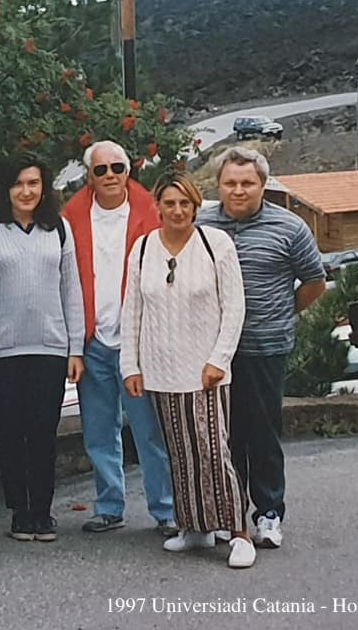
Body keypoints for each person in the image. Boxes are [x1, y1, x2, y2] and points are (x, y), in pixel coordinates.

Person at [120, 172, 254, 568]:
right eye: (170, 203)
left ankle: (238, 532)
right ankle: (195, 526)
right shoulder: (143, 248)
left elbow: (234, 307)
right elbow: (132, 311)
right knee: (179, 453)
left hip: (205, 370)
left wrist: (219, 359)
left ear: (196, 207)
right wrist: (131, 365)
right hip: (161, 370)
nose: (177, 211)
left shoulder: (216, 244)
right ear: (157, 207)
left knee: (213, 451)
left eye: (185, 203)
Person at [196, 147, 326, 550]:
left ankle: (269, 513)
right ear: (218, 185)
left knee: (263, 433)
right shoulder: (201, 225)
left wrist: (282, 313)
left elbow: (314, 282)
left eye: (247, 183)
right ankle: (229, 514)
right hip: (214, 351)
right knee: (223, 435)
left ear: (262, 185)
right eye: (230, 183)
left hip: (265, 346)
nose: (238, 190)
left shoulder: (289, 228)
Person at [0, 153, 85, 542]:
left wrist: (75, 349)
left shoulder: (59, 229)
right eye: (18, 183)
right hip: (1, 349)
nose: (26, 191)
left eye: (33, 183)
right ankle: (20, 510)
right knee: (10, 432)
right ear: (6, 188)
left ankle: (42, 511)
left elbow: (71, 290)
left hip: (49, 347)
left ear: (44, 187)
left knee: (43, 431)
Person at [61, 140, 175, 535]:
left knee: (150, 432)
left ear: (128, 171)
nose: (110, 175)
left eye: (117, 168)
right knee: (98, 432)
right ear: (89, 176)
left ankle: (166, 510)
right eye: (101, 169)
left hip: (138, 342)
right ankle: (109, 506)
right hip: (93, 341)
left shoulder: (152, 213)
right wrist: (74, 345)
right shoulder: (70, 218)